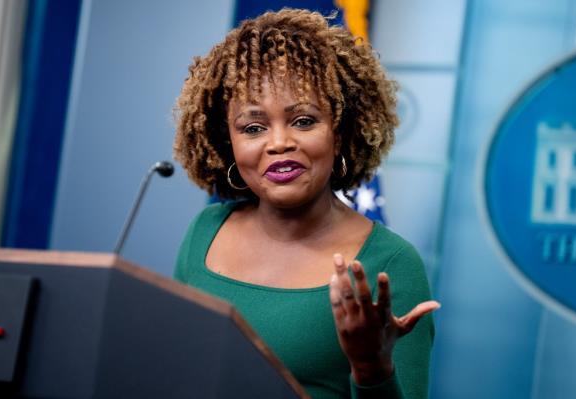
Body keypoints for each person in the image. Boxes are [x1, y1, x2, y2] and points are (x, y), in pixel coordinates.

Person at [172, 8, 439, 399]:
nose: (279, 143)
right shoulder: (204, 231)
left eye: (303, 121)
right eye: (253, 128)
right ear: (226, 141)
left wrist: (371, 369)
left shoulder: (390, 264)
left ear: (340, 131)